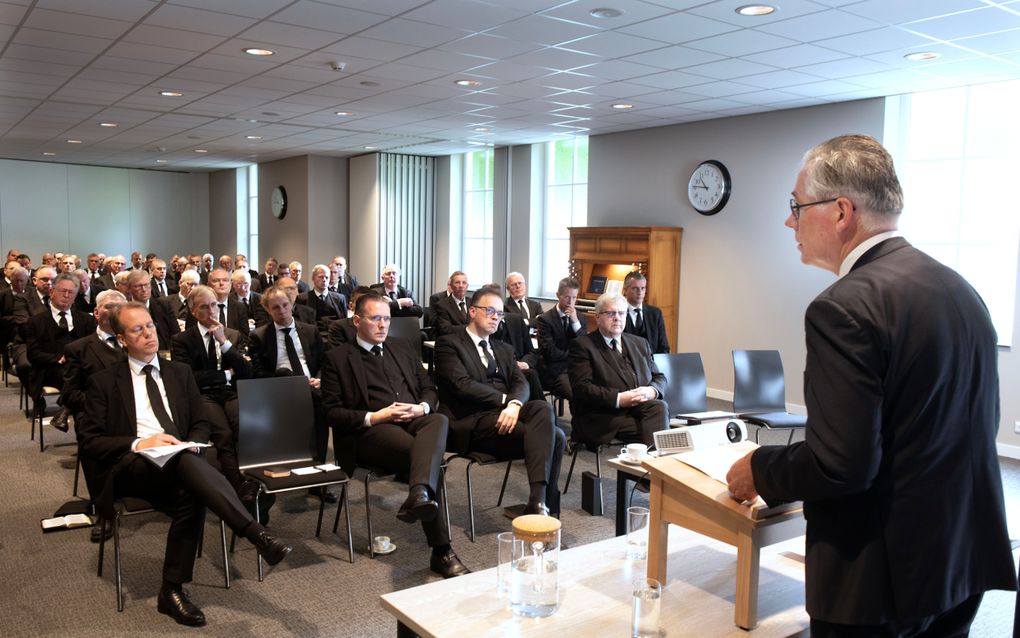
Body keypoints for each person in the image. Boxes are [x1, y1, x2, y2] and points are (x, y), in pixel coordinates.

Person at [725, 134, 1016, 636]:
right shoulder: (961, 288)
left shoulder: (843, 307)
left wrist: (760, 466)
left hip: (882, 577)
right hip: (959, 557)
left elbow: (841, 464)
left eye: (796, 206)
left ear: (841, 212)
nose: (789, 221)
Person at [77, 302, 291, 627]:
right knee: (188, 470)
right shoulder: (105, 381)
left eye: (150, 326)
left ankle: (171, 590)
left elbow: (200, 424)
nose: (148, 333)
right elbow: (91, 442)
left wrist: (190, 443)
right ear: (121, 339)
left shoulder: (179, 373)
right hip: (131, 467)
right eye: (137, 329)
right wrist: (140, 443)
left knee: (190, 489)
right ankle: (255, 532)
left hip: (180, 464)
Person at [320, 291, 469, 578]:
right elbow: (331, 413)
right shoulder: (337, 358)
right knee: (431, 461)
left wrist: (420, 407)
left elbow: (429, 388)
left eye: (387, 319)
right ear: (357, 320)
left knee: (437, 419)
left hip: (412, 421)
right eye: (375, 318)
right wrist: (375, 416)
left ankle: (419, 492)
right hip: (371, 431)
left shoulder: (402, 347)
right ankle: (442, 551)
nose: (383, 325)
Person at [435, 287, 564, 516]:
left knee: (543, 407)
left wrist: (514, 405)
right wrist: (506, 400)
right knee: (556, 436)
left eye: (500, 313)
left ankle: (537, 501)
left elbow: (520, 382)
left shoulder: (503, 348)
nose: (496, 317)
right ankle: (543, 506)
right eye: (490, 311)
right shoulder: (449, 343)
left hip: (505, 416)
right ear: (472, 311)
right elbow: (461, 385)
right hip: (471, 419)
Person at [247, 286, 337, 503]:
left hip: (311, 384)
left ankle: (317, 476)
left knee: (321, 407)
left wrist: (320, 378)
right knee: (309, 399)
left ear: (292, 305)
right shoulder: (259, 336)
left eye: (285, 305)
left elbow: (325, 361)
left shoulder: (309, 330)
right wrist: (284, 380)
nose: (282, 311)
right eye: (275, 307)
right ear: (268, 310)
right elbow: (259, 372)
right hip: (279, 388)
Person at [171, 286, 254, 501]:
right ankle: (239, 487)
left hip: (231, 393)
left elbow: (246, 373)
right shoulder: (182, 340)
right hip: (203, 395)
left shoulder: (232, 336)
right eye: (204, 307)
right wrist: (226, 374)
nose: (211, 311)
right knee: (223, 435)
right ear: (193, 311)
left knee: (246, 429)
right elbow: (188, 378)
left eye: (214, 305)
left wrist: (224, 343)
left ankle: (254, 480)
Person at [567, 292, 667, 447]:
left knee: (659, 408)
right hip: (604, 415)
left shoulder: (640, 343)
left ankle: (651, 467)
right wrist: (620, 399)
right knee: (657, 431)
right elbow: (582, 388)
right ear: (598, 317)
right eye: (611, 313)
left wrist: (652, 391)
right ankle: (655, 468)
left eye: (621, 313)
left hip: (640, 408)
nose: (617, 318)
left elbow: (659, 377)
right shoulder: (582, 346)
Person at [535, 277, 584, 401]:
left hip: (577, 368)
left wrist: (575, 322)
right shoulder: (545, 319)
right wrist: (574, 355)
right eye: (567, 297)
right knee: (576, 395)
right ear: (558, 295)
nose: (570, 301)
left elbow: (585, 346)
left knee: (591, 392)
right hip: (555, 370)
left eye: (574, 297)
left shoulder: (580, 318)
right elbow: (551, 353)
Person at [621, 271, 669, 354]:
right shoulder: (618, 312)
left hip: (652, 363)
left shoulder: (655, 313)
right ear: (625, 290)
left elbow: (664, 346)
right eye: (635, 288)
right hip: (625, 364)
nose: (640, 292)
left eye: (643, 288)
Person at [431, 271, 470, 336]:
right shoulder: (442, 305)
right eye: (457, 283)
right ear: (451, 286)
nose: (461, 286)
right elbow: (445, 329)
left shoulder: (473, 302)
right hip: (453, 341)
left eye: (464, 283)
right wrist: (470, 329)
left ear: (467, 286)